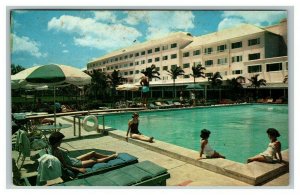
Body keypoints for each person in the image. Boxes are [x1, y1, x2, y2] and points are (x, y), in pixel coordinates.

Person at [49, 132, 117, 173]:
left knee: (93, 153)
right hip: (75, 164)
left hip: (73, 160)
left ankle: (108, 156)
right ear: (57, 141)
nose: (61, 141)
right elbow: (65, 166)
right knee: (94, 161)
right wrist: (79, 169)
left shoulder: (52, 148)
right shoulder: (57, 152)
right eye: (61, 140)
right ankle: (112, 157)